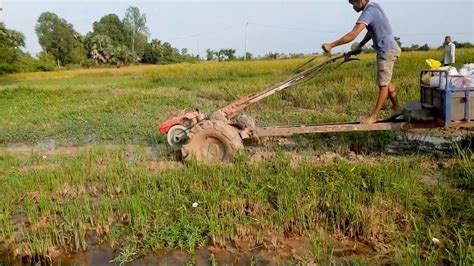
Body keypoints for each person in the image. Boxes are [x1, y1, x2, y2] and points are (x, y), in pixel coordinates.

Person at [322, 0, 401, 124]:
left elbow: (352, 35)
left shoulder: (368, 12)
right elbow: (371, 31)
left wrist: (331, 45)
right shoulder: (375, 6)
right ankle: (397, 108)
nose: (353, 7)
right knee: (386, 80)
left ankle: (374, 116)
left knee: (383, 85)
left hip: (386, 51)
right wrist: (360, 45)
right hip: (389, 48)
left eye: (354, 3)